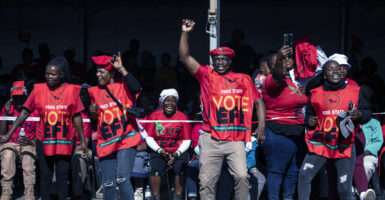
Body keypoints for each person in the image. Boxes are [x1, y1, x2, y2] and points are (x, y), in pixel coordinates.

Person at [179, 19, 266, 200]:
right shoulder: (206, 75)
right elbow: (184, 58)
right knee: (206, 181)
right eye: (216, 59)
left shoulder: (243, 79)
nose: (219, 62)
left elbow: (259, 102)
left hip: (234, 139)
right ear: (212, 61)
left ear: (230, 61)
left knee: (242, 176)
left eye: (223, 59)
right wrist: (185, 33)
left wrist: (262, 126)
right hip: (210, 138)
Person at [0, 56, 88, 200]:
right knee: (45, 175)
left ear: (62, 74)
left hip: (64, 140)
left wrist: (82, 141)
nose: (49, 77)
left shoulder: (72, 90)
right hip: (44, 139)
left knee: (62, 175)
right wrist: (9, 134)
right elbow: (25, 111)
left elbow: (76, 116)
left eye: (53, 74)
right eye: (47, 73)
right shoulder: (38, 89)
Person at [298, 60, 372, 200]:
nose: (335, 72)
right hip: (320, 144)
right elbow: (308, 114)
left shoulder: (355, 91)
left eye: (338, 69)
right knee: (304, 175)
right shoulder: (315, 93)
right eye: (331, 69)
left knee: (344, 188)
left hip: (343, 145)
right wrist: (309, 120)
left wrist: (360, 115)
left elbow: (368, 112)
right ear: (324, 74)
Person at [88, 52, 142, 200]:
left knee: (122, 179)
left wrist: (121, 68)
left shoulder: (124, 85)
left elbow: (137, 88)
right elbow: (97, 122)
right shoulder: (93, 91)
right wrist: (93, 114)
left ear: (111, 72)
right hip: (106, 142)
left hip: (126, 139)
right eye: (96, 71)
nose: (97, 74)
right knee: (108, 184)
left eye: (101, 71)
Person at [260, 45, 307, 200]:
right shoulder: (270, 82)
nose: (284, 64)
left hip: (297, 132)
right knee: (277, 171)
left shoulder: (290, 82)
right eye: (279, 62)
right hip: (278, 132)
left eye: (286, 61)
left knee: (293, 172)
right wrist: (280, 56)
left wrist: (303, 94)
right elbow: (277, 74)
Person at [145, 89, 192, 200]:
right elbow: (149, 137)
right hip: (159, 150)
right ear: (162, 101)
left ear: (176, 103)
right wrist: (160, 150)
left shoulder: (183, 117)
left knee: (180, 168)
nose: (170, 104)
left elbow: (187, 140)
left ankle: (178, 196)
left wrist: (177, 153)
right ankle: (155, 197)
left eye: (173, 101)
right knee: (155, 168)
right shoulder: (154, 116)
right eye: (167, 100)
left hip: (178, 151)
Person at [0, 81, 39, 200]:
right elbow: (2, 135)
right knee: (7, 154)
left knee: (28, 157)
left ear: (26, 97)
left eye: (21, 97)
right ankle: (6, 188)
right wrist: (6, 112)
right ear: (11, 98)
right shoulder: (8, 109)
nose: (19, 101)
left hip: (28, 143)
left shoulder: (34, 111)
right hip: (11, 143)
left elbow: (39, 135)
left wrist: (31, 142)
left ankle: (29, 189)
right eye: (15, 98)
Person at [71, 84, 93, 200]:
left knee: (79, 157)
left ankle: (77, 194)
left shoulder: (83, 116)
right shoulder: (62, 115)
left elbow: (86, 142)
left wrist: (72, 150)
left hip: (81, 148)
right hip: (65, 148)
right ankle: (55, 192)